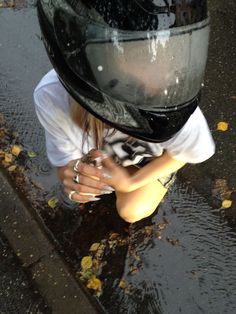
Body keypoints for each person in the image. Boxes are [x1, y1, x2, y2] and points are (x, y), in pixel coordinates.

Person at [34, 0, 215, 223]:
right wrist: (73, 178)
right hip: (112, 165)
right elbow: (66, 165)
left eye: (175, 50)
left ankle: (156, 177)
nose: (163, 80)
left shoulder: (172, 98)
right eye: (140, 52)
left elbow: (188, 151)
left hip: (145, 163)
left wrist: (131, 182)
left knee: (132, 209)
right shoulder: (52, 99)